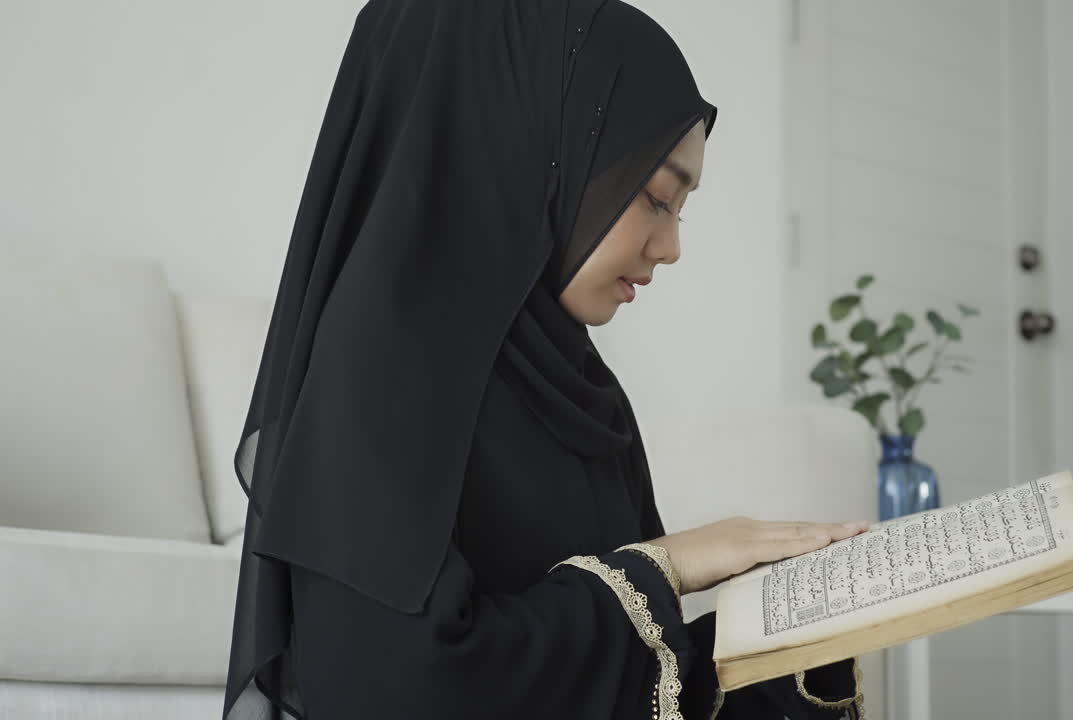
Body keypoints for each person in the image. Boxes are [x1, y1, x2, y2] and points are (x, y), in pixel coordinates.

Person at [222, 0, 871, 718]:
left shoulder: (581, 392)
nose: (671, 247)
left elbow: (626, 678)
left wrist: (796, 632)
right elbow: (405, 684)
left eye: (681, 208)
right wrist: (669, 564)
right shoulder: (371, 387)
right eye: (656, 197)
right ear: (528, 152)